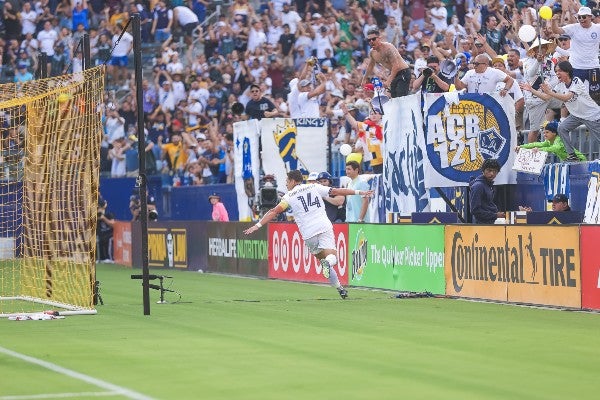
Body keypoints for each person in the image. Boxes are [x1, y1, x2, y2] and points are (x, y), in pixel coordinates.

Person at [243, 169, 374, 299]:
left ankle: (340, 289)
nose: (286, 184)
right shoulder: (314, 186)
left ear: (293, 181)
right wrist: (359, 192)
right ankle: (336, 279)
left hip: (308, 233)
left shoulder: (289, 196)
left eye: (287, 181)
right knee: (331, 258)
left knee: (324, 261)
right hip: (324, 226)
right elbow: (336, 191)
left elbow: (273, 211)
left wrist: (257, 225)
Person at [528, 61, 600, 162]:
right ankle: (572, 155)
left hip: (591, 115)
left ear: (567, 71)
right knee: (562, 128)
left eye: (560, 71)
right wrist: (531, 90)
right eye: (556, 71)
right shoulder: (559, 85)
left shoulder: (576, 80)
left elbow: (567, 97)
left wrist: (549, 92)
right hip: (576, 115)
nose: (557, 73)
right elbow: (546, 97)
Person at [552, 6, 600, 102]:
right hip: (577, 67)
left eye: (584, 17)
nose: (581, 19)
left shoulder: (597, 28)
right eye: (579, 17)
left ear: (590, 16)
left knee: (596, 95)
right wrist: (554, 21)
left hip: (593, 67)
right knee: (574, 96)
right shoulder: (574, 28)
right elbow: (556, 30)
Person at [361, 28, 411, 98]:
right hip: (393, 74)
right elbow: (370, 66)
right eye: (369, 40)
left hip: (403, 72)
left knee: (401, 97)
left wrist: (388, 81)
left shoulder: (388, 47)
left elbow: (396, 66)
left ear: (379, 38)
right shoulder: (372, 52)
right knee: (394, 98)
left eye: (373, 39)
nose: (371, 41)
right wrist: (364, 79)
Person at [515, 121, 586, 162]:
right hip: (570, 162)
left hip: (580, 160)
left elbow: (555, 148)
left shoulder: (559, 139)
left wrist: (539, 150)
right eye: (544, 132)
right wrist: (521, 146)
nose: (544, 134)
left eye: (547, 132)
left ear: (554, 133)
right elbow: (537, 144)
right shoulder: (548, 141)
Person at [469, 158, 505, 224]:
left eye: (495, 171)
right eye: (489, 170)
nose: (492, 174)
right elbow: (475, 210)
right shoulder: (478, 186)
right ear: (483, 170)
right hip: (482, 226)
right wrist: (495, 215)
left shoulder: (487, 185)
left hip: (489, 223)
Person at [96, 198, 115, 263]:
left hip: (109, 235)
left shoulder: (109, 214)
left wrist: (103, 218)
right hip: (100, 235)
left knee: (109, 239)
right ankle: (100, 259)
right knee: (98, 240)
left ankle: (110, 259)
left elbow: (113, 224)